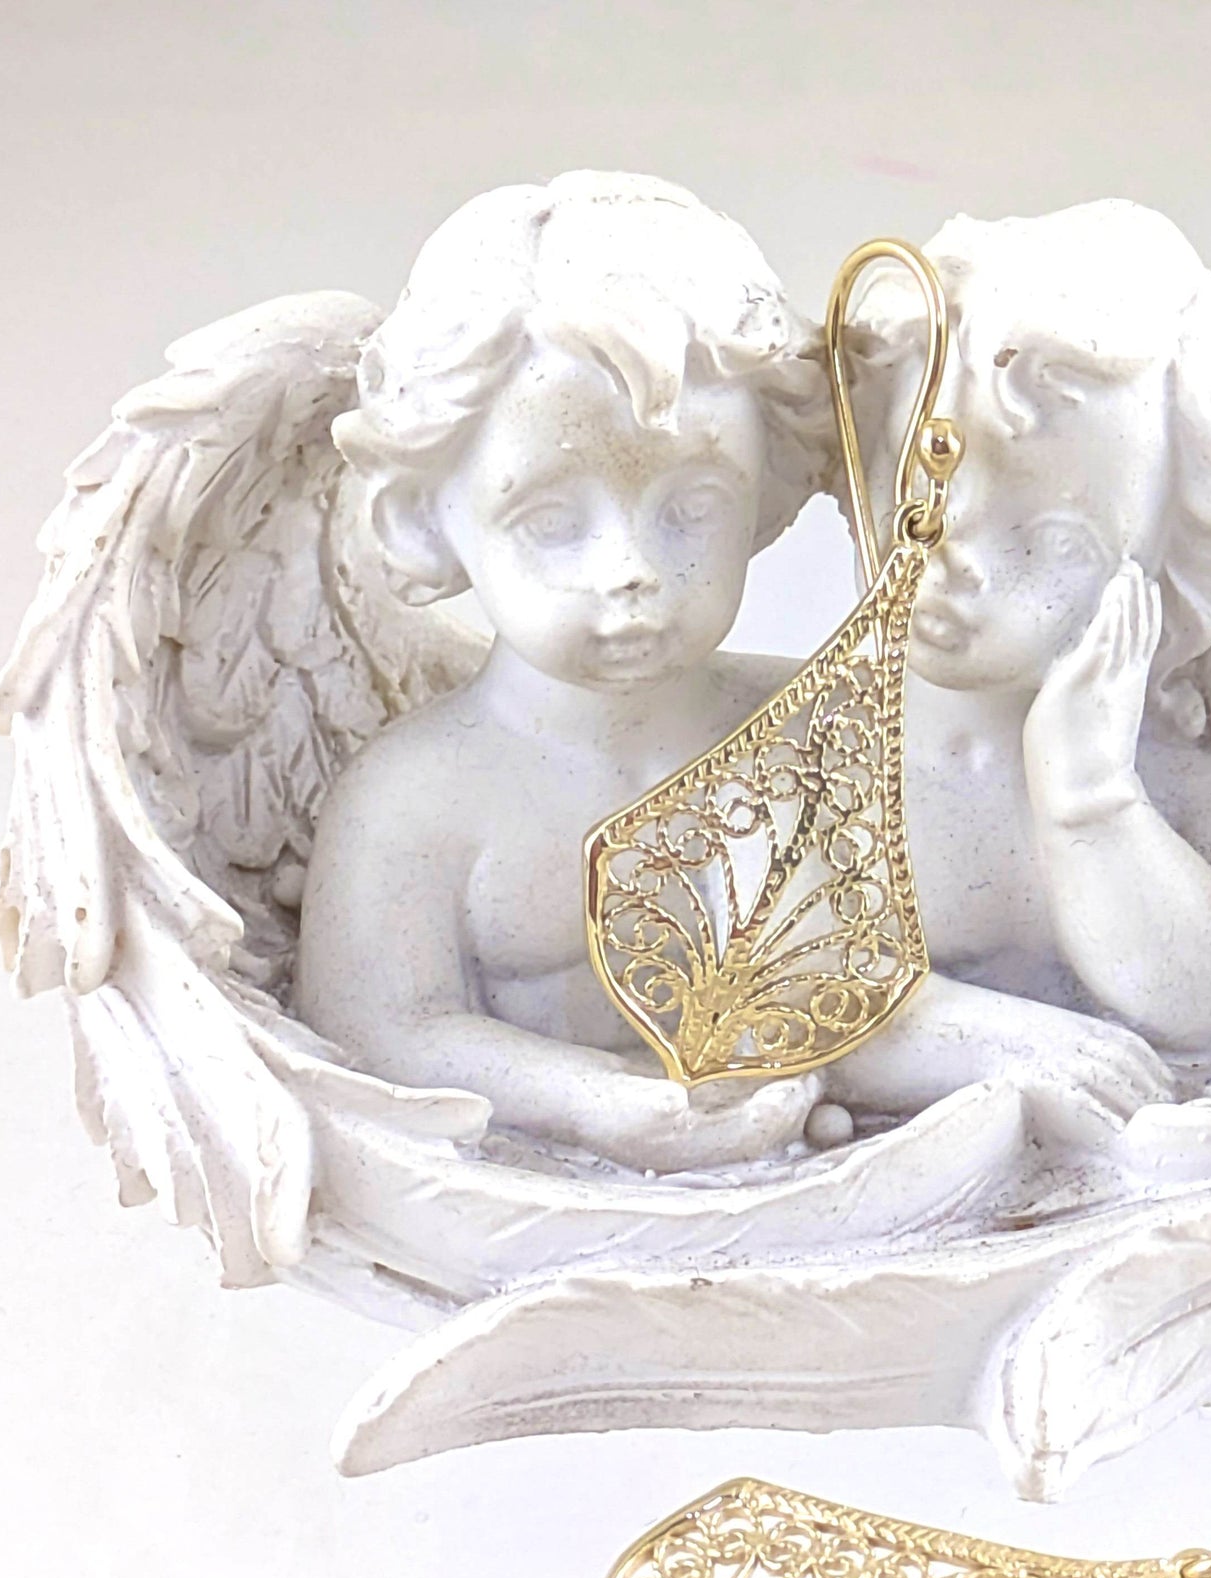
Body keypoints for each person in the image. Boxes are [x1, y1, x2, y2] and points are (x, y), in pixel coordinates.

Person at [295, 173, 835, 1172]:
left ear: (769, 490)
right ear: (422, 519)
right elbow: (376, 1030)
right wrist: (597, 1105)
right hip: (539, 1189)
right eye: (549, 520)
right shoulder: (411, 797)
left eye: (693, 507)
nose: (630, 569)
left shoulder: (811, 728)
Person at [827, 200, 1211, 1126]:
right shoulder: (816, 752)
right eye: (921, 495)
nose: (955, 565)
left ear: (1172, 562)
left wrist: (1092, 797)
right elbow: (793, 1001)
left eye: (1050, 542)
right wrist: (1018, 1045)